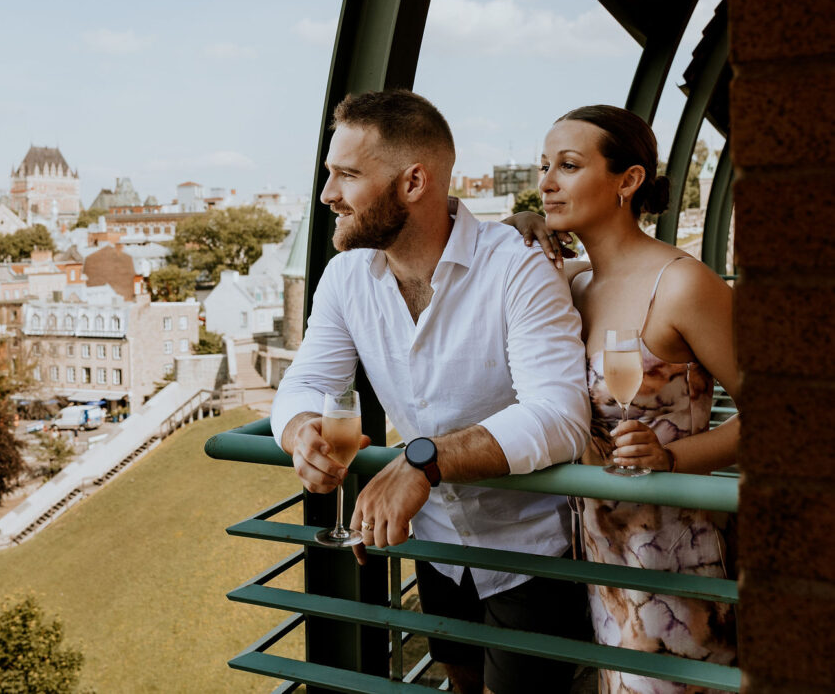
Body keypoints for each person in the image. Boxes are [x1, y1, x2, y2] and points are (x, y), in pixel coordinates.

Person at [271, 89, 592, 694]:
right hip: (436, 545)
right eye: (328, 174)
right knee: (462, 683)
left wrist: (424, 461)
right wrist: (298, 433)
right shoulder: (344, 278)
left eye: (347, 175)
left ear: (414, 181)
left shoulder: (517, 266)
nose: (327, 195)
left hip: (531, 553)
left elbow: (559, 415)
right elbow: (308, 382)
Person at [507, 105, 738, 694]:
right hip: (600, 557)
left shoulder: (683, 284)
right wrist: (522, 227)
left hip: (677, 558)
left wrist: (670, 460)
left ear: (628, 181)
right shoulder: (571, 284)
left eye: (569, 165)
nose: (547, 181)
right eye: (543, 167)